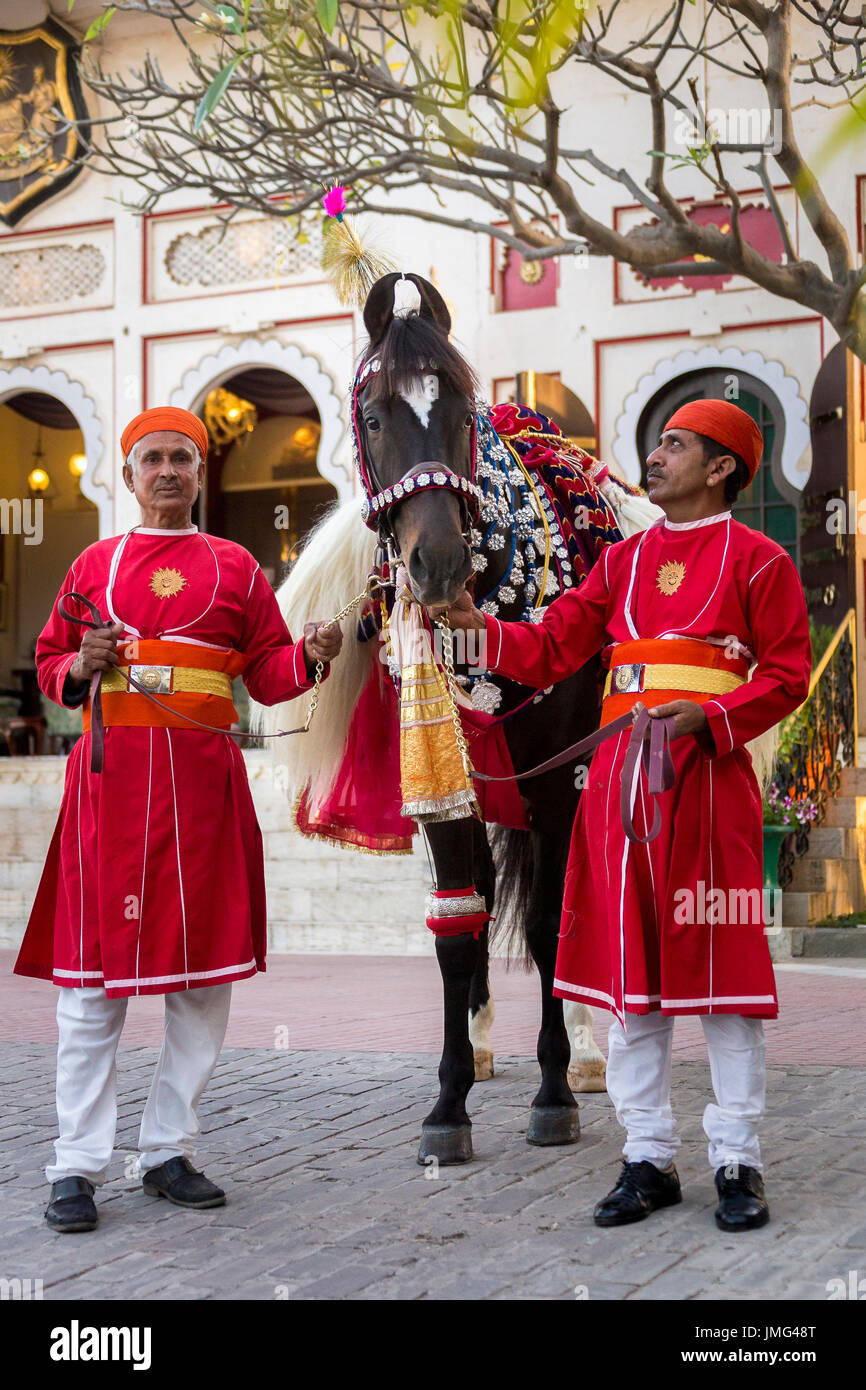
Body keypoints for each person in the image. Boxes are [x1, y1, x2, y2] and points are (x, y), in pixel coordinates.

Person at [447, 399, 811, 1232]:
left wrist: (710, 720)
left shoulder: (762, 561)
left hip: (710, 785)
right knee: (629, 987)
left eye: (676, 444)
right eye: (659, 442)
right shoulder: (621, 561)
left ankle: (736, 1163)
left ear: (722, 468)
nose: (656, 453)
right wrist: (478, 633)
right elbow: (549, 647)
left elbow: (787, 676)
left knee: (722, 986)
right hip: (617, 789)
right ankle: (647, 1157)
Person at [15, 407, 342, 1233]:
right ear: (127, 476)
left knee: (201, 985)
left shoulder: (236, 566)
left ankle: (166, 1149)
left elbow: (267, 674)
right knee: (90, 992)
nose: (168, 471)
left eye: (184, 459)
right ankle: (76, 1167)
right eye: (153, 459)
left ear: (201, 475)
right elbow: (50, 659)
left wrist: (314, 652)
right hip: (110, 798)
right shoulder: (94, 563)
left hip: (203, 799)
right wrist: (78, 664)